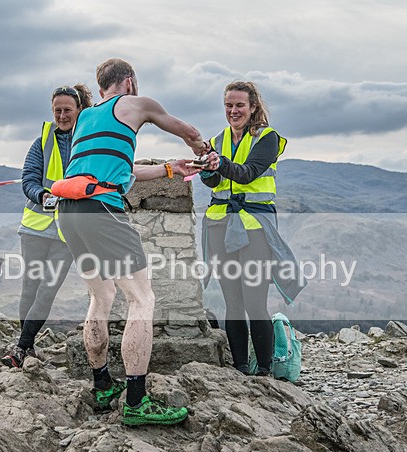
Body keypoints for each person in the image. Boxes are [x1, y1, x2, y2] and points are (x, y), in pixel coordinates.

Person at [57, 58, 210, 427]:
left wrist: (170, 169)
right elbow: (185, 129)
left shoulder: (86, 119)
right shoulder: (135, 103)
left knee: (100, 297)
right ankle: (137, 402)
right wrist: (204, 153)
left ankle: (103, 386)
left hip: (69, 211)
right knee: (142, 298)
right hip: (102, 212)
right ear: (129, 81)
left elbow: (122, 173)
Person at [200, 80, 303, 376]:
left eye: (240, 105)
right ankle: (241, 368)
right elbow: (213, 182)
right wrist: (207, 169)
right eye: (229, 106)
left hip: (255, 228)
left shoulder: (268, 138)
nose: (233, 111)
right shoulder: (217, 140)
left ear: (253, 106)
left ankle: (265, 370)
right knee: (232, 301)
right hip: (220, 225)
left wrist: (218, 164)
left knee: (254, 300)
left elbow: (247, 174)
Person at [1, 84, 93, 368]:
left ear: (79, 110)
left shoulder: (89, 140)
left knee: (48, 290)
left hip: (69, 230)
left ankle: (22, 347)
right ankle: (24, 347)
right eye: (57, 111)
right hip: (36, 226)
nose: (62, 116)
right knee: (30, 288)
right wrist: (41, 195)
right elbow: (28, 178)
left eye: (67, 110)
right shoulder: (42, 140)